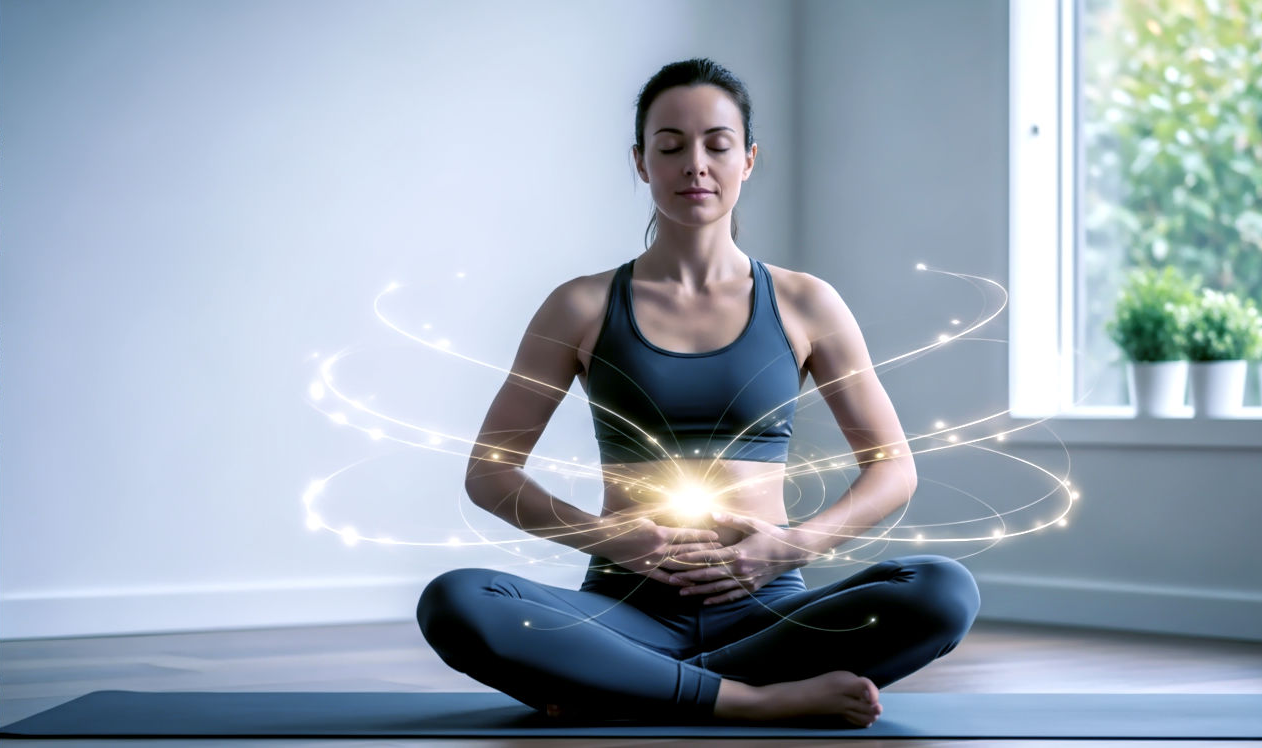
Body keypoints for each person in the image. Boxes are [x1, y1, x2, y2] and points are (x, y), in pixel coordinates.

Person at [416, 57, 980, 728]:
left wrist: (789, 547)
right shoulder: (580, 305)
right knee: (457, 601)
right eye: (670, 146)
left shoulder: (806, 303)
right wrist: (614, 541)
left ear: (748, 159)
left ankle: (627, 689)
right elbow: (490, 472)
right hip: (624, 611)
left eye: (717, 144)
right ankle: (754, 700)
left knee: (943, 591)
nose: (695, 165)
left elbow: (893, 469)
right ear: (640, 162)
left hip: (772, 612)